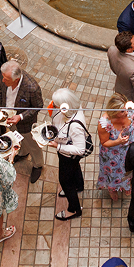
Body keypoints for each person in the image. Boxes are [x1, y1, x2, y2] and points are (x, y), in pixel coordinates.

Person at [0, 60, 44, 183]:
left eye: (6, 79)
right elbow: (0, 92)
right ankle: (23, 152)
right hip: (9, 119)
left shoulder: (32, 88)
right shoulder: (5, 76)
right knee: (18, 138)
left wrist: (20, 117)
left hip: (25, 122)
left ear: (16, 79)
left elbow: (38, 106)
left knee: (33, 144)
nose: (3, 81)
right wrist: (0, 109)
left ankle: (38, 165)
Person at [48, 87, 89, 221]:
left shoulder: (75, 125)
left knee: (65, 181)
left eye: (56, 105)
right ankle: (79, 186)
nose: (53, 106)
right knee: (75, 168)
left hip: (68, 156)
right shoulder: (71, 109)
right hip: (67, 155)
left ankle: (74, 209)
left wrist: (57, 146)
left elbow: (80, 150)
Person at [97, 99, 134, 201]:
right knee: (112, 172)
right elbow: (104, 142)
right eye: (122, 111)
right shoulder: (104, 123)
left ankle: (126, 185)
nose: (127, 112)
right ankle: (112, 189)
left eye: (126, 109)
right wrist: (118, 141)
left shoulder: (131, 108)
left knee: (128, 169)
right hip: (111, 154)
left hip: (128, 150)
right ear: (114, 112)